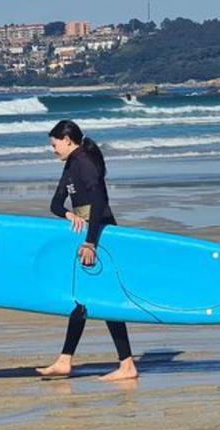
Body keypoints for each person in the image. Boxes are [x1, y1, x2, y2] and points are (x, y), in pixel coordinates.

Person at [36, 120, 137, 381]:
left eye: (54, 144)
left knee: (99, 300)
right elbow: (55, 204)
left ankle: (126, 366)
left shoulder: (85, 163)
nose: (53, 149)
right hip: (86, 234)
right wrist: (70, 215)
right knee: (84, 299)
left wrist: (91, 242)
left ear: (67, 140)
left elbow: (100, 201)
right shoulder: (71, 164)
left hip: (100, 234)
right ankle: (66, 360)